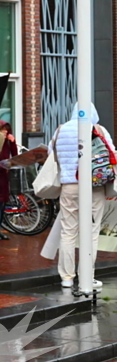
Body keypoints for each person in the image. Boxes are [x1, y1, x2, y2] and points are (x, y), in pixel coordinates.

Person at [51, 104, 114, 293]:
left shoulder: (61, 130)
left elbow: (51, 155)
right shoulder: (98, 129)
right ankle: (87, 276)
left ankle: (66, 279)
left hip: (69, 186)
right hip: (94, 187)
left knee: (68, 232)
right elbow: (112, 154)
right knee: (92, 232)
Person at [0, 120, 19, 241]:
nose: (5, 132)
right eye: (3, 130)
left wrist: (13, 142)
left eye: (7, 130)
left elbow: (15, 156)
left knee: (0, 204)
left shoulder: (7, 142)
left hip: (3, 176)